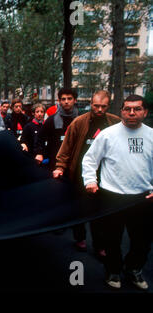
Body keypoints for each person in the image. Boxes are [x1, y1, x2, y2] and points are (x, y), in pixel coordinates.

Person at [82, 94, 152, 290]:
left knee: (142, 241)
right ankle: (113, 270)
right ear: (121, 111)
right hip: (112, 195)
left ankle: (134, 269)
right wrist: (90, 180)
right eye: (127, 109)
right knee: (112, 239)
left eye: (137, 109)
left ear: (145, 112)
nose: (131, 113)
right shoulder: (107, 134)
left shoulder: (151, 136)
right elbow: (89, 160)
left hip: (143, 197)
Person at [53, 90, 120, 256]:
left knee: (100, 212)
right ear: (91, 104)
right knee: (80, 208)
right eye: (96, 106)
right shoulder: (79, 122)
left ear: (108, 106)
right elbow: (66, 147)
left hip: (105, 175)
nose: (99, 109)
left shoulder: (115, 123)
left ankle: (99, 245)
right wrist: (60, 166)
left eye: (103, 107)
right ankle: (80, 238)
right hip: (79, 173)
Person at [34, 88, 79, 169]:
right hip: (55, 162)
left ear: (75, 100)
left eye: (69, 99)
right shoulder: (52, 120)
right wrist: (39, 153)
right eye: (63, 99)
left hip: (75, 161)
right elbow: (40, 137)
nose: (66, 101)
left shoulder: (80, 120)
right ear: (59, 101)